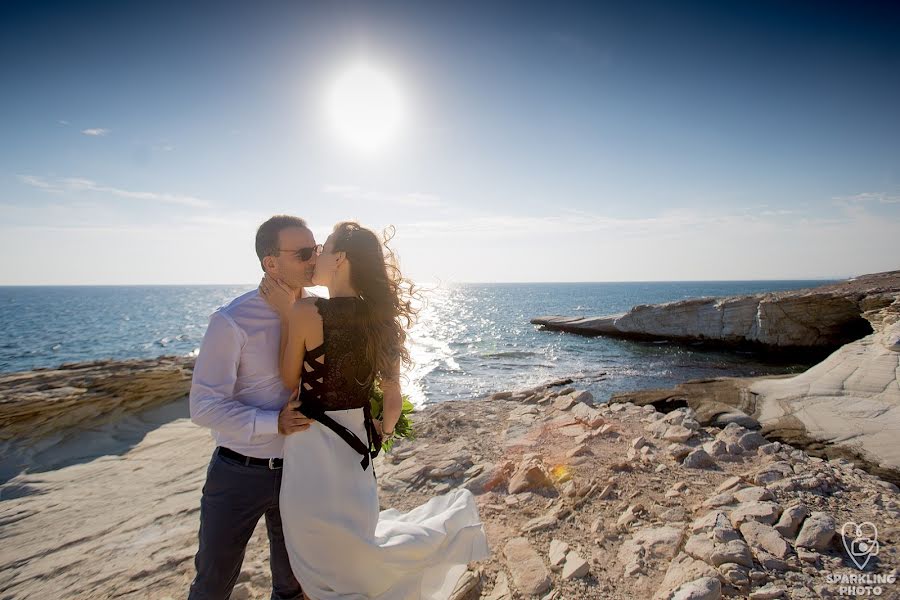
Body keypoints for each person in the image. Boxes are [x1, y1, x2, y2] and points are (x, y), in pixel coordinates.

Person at [260, 221, 489, 600]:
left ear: (341, 258)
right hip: (356, 453)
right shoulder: (381, 320)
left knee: (313, 552)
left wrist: (286, 314)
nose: (316, 254)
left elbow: (288, 379)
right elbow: (393, 397)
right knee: (356, 541)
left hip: (311, 448)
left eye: (324, 247)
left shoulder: (304, 311)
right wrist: (382, 430)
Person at [188, 215, 319, 600]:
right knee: (213, 585)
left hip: (300, 470)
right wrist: (271, 423)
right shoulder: (231, 320)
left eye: (318, 250)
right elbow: (204, 406)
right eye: (304, 253)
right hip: (238, 474)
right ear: (271, 263)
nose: (314, 260)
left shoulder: (320, 311)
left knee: (294, 588)